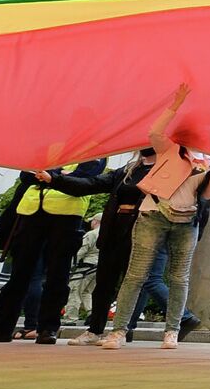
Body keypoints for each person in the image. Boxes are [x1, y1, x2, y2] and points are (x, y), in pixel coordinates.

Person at [104, 86, 210, 351]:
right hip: (153, 215)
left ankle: (172, 331)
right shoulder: (170, 149)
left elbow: (206, 195)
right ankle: (118, 332)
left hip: (186, 220)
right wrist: (175, 105)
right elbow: (154, 132)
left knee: (179, 278)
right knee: (136, 275)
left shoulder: (206, 161)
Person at [0, 155, 105, 343]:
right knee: (19, 275)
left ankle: (47, 328)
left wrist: (49, 177)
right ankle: (1, 327)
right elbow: (26, 175)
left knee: (57, 276)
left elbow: (83, 180)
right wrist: (59, 176)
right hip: (31, 213)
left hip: (66, 216)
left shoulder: (94, 150)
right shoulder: (47, 146)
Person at [53, 148, 158, 346]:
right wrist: (55, 179)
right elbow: (92, 184)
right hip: (115, 229)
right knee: (103, 283)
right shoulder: (126, 171)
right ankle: (95, 329)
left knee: (134, 283)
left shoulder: (164, 171)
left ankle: (123, 330)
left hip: (142, 232)